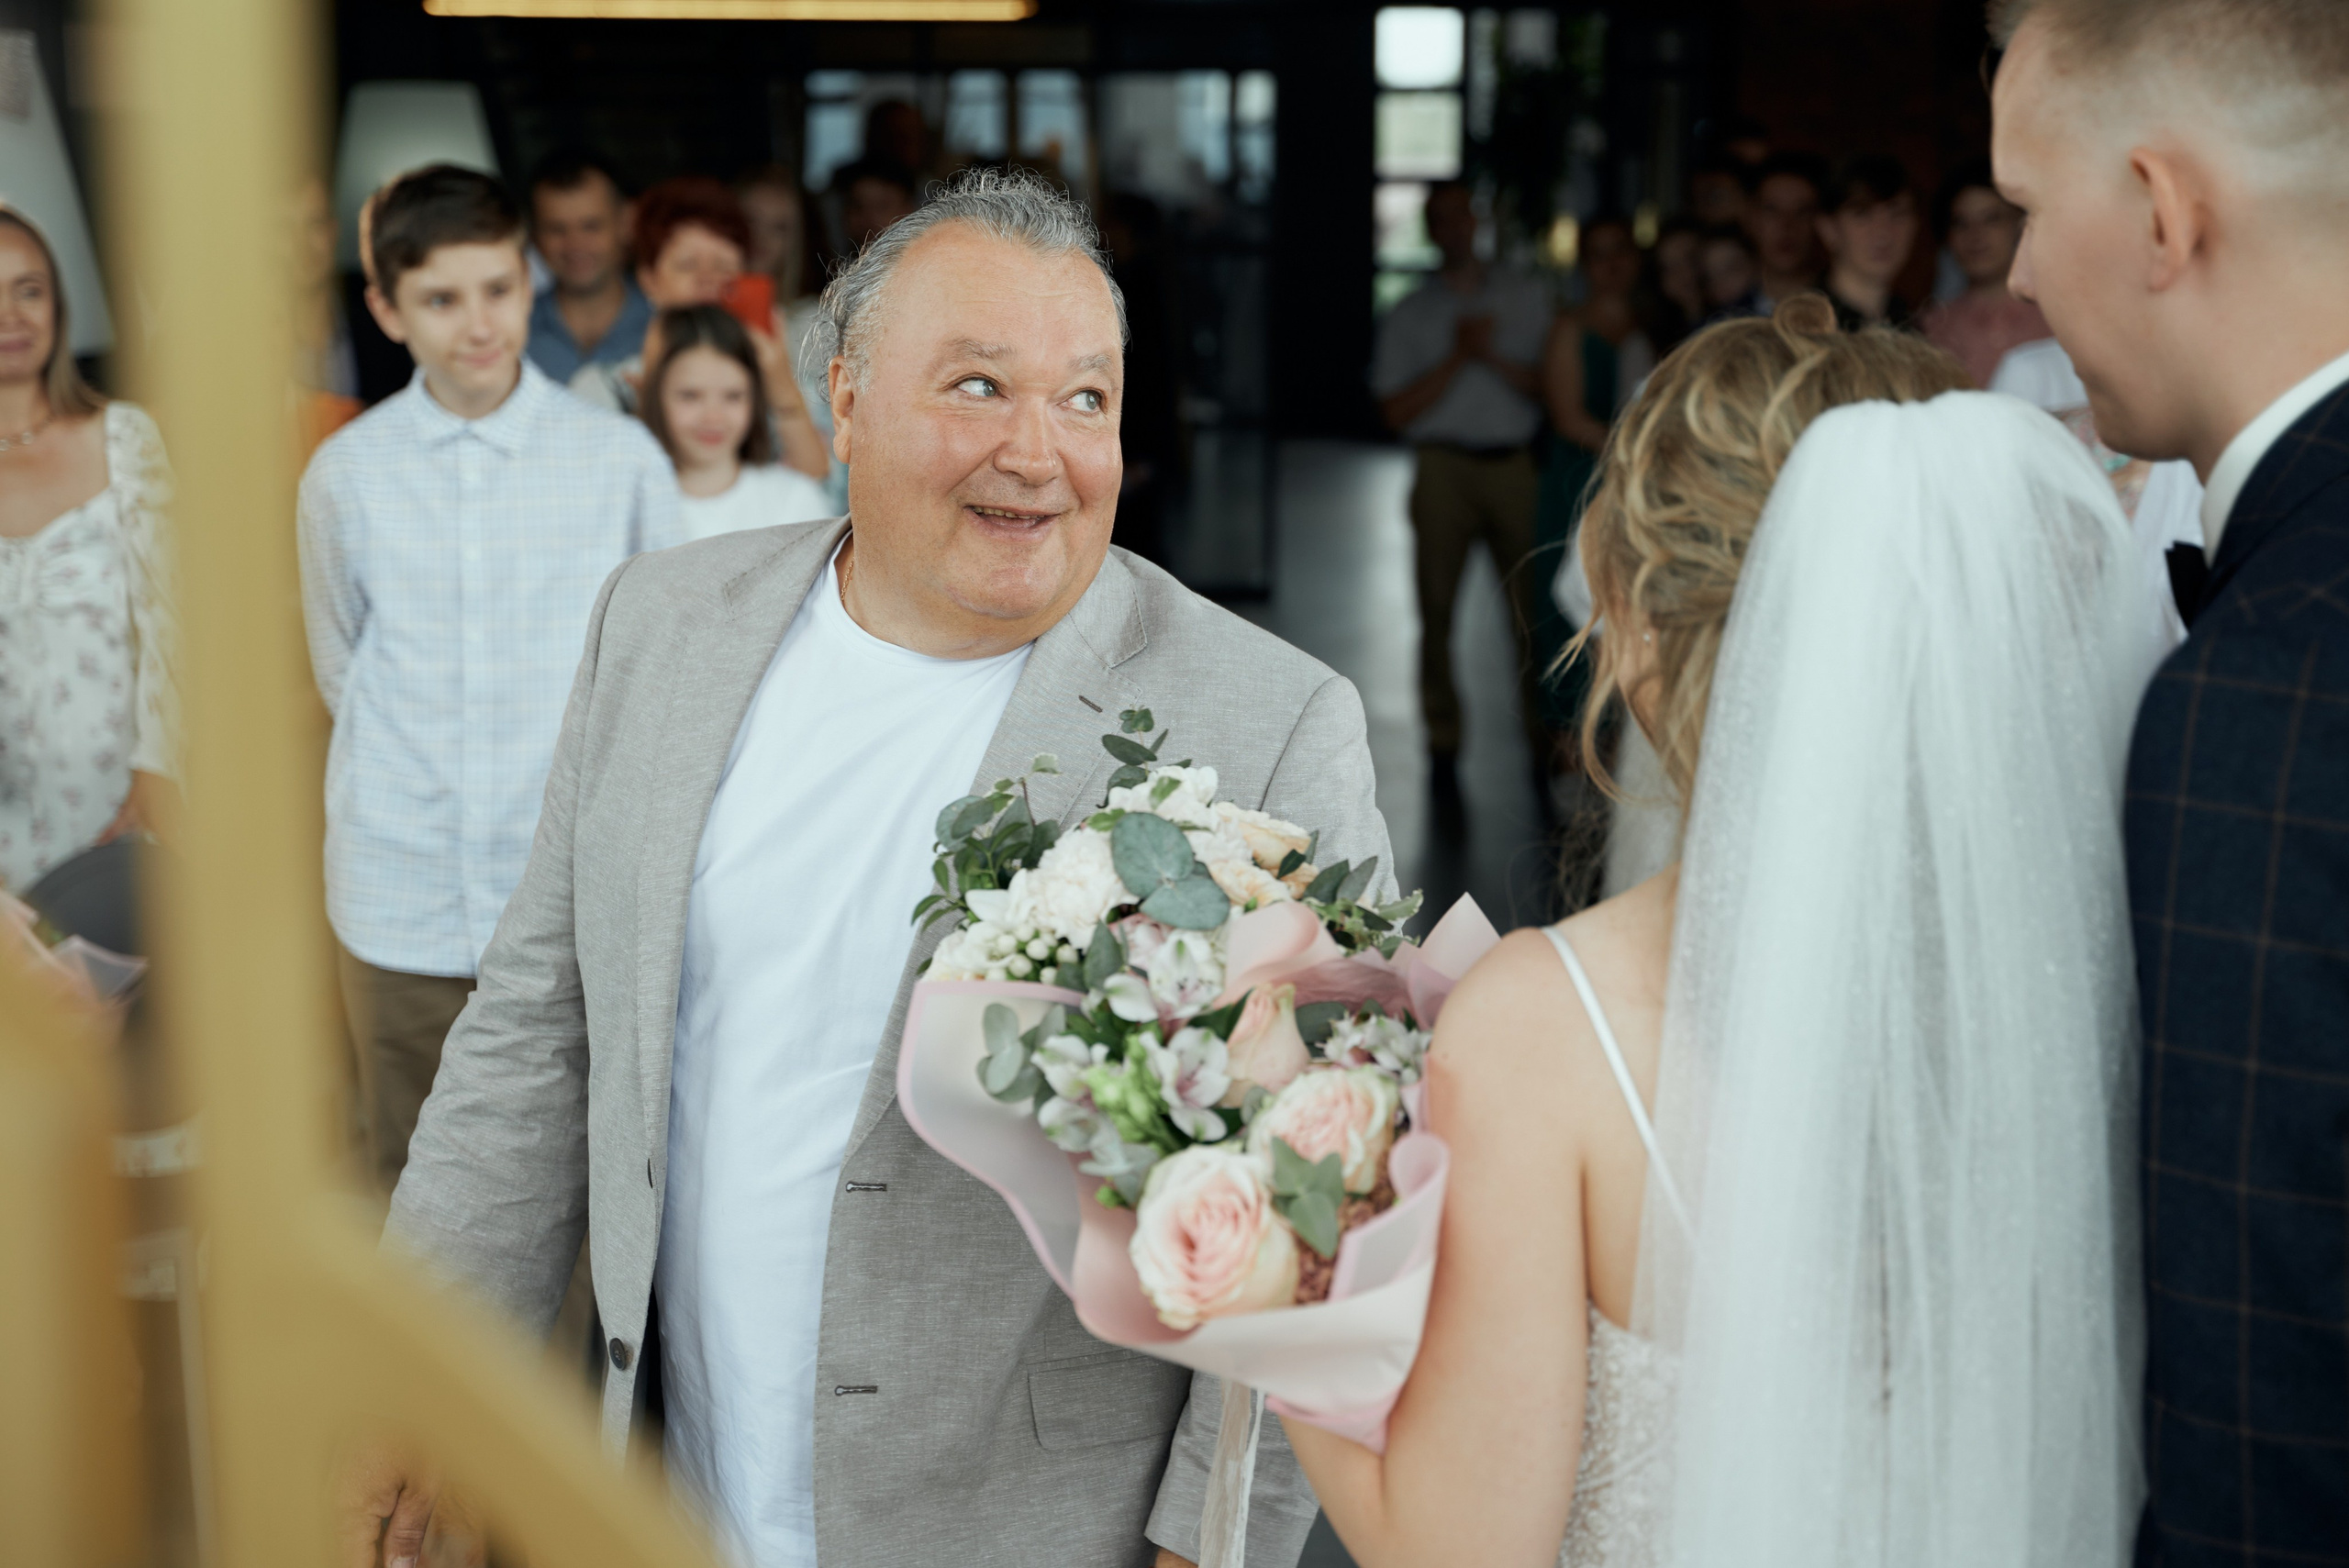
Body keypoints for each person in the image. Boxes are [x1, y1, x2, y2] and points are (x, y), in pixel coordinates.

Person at [354, 168, 1389, 1568]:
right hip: (668, 1490)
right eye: (979, 385)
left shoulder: (1265, 722)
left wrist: (1210, 1548)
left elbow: (1327, 1207)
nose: (1040, 452)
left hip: (1026, 1533)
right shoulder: (662, 625)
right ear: (842, 400)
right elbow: (535, 1031)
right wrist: (419, 1380)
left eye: (1087, 398)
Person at [1293, 298, 2153, 1567]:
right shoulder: (2089, 973)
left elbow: (1455, 1552)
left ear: (1640, 626)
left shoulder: (1549, 1025)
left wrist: (1263, 1281)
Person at [1993, 1, 2349, 1559]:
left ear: (2161, 209)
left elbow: (2260, 1425)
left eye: (2023, 204)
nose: (2015, 274)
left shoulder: (2265, 690)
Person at [298, 165, 685, 1196]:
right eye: (440, 299)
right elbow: (341, 663)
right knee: (408, 1184)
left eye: (499, 289)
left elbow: (656, 669)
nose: (478, 323)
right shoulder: (345, 473)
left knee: (577, 1189)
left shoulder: (620, 461)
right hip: (398, 894)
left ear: (528, 282)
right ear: (386, 310)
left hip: (563, 899)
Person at [0, 206, 178, 897]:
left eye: (30, 289)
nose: (12, 315)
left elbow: (175, 626)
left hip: (128, 811)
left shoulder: (126, 437)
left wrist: (159, 774)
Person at [1370, 180, 1556, 809]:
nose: (1453, 227)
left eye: (1461, 216)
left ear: (1477, 222)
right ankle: (1443, 746)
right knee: (1436, 612)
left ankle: (1546, 745)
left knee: (1532, 614)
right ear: (1431, 227)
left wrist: (1489, 354)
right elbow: (1395, 411)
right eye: (1440, 218)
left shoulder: (1525, 296)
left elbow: (1552, 388)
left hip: (1514, 466)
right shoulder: (1411, 312)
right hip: (1441, 467)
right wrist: (1458, 355)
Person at [570, 177, 829, 483]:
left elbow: (821, 492)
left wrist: (780, 385)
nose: (708, 278)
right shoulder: (600, 390)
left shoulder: (786, 381)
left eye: (723, 265)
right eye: (688, 265)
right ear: (648, 279)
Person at [1533, 216, 1654, 762]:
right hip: (1581, 484)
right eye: (1599, 254)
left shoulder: (1653, 322)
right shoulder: (1570, 328)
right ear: (1584, 265)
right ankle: (1570, 755)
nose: (1612, 264)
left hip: (1640, 488)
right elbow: (1569, 419)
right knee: (1573, 611)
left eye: (1621, 251)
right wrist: (1644, 456)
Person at [640, 305, 834, 541]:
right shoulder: (628, 504)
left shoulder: (794, 499)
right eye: (690, 395)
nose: (713, 417)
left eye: (733, 396)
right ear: (656, 396)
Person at [1917, 157, 2048, 388]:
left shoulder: (2055, 318)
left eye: (1991, 219)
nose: (1975, 236)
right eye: (1960, 223)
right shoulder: (1932, 327)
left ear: (2020, 224)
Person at [525, 149, 650, 386]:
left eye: (591, 226)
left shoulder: (669, 325)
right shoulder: (508, 333)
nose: (575, 245)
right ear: (535, 236)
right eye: (556, 229)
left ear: (626, 223)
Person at [1817, 153, 1920, 331]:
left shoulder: (1913, 323)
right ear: (1829, 228)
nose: (1883, 233)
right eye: (1862, 215)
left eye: (1897, 214)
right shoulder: (1803, 324)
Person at [1743, 151, 1829, 310]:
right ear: (1750, 218)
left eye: (1802, 212)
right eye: (1772, 210)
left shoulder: (1847, 317)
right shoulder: (1723, 319)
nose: (1787, 226)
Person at [1698, 224, 1764, 319]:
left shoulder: (1775, 311)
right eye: (1711, 277)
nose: (1722, 283)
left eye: (1732, 269)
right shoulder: (1708, 322)